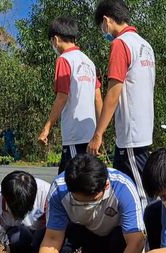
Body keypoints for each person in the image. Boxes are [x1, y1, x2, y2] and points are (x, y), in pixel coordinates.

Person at [17, 154, 146, 253]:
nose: (86, 206)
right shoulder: (60, 189)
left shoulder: (123, 187)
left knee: (121, 240)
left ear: (106, 186)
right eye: (80, 202)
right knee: (41, 238)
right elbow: (53, 238)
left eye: (92, 201)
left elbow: (136, 241)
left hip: (115, 242)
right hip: (84, 238)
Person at [88, 0, 156, 209]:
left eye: (102, 25)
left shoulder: (120, 44)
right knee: (120, 189)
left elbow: (114, 91)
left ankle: (148, 238)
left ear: (107, 20)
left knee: (142, 195)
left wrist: (98, 133)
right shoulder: (145, 45)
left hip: (131, 133)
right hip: (142, 128)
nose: (103, 30)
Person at [38, 16, 103, 175]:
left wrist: (47, 127)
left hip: (75, 135)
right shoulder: (88, 62)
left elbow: (62, 96)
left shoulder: (64, 60)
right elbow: (98, 98)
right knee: (86, 181)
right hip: (90, 134)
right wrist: (100, 132)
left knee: (72, 182)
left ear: (55, 39)